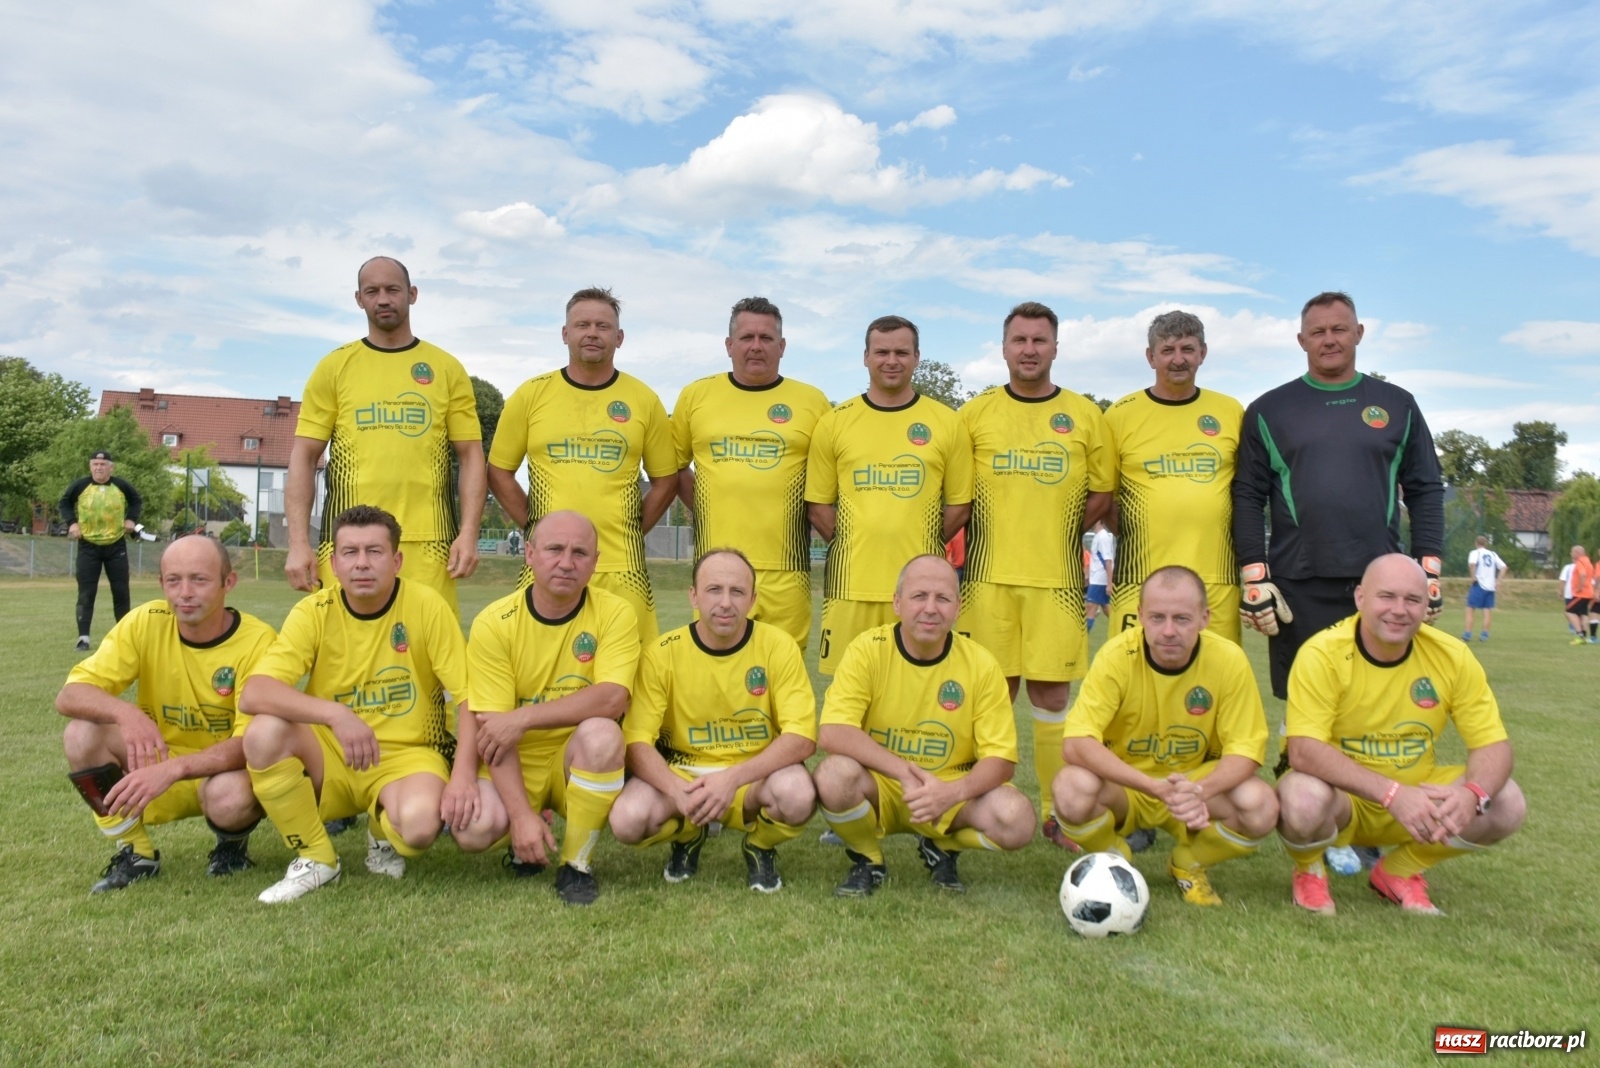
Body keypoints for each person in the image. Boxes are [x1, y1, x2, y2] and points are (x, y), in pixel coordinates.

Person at [240, 505, 480, 904]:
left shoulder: (427, 606)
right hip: (333, 752)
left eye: (375, 552)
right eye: (350, 553)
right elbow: (255, 692)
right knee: (264, 732)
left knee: (420, 828)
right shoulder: (314, 611)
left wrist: (463, 775)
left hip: (407, 756)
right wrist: (336, 715)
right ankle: (316, 857)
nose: (362, 564)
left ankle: (381, 830)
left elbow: (470, 697)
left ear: (397, 560)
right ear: (332, 563)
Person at [1276, 554, 1526, 915]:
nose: (1399, 610)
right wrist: (1391, 794)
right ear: (1361, 598)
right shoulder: (1322, 654)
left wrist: (1473, 794)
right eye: (1387, 597)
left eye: (1412, 600)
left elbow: (1494, 745)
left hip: (1418, 798)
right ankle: (1309, 870)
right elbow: (1303, 751)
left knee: (1507, 801)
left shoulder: (1452, 655)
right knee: (1300, 798)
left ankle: (1398, 871)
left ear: (1427, 604)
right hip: (1343, 801)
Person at [1233, 292, 1446, 700]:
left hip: (1380, 581)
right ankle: (1294, 766)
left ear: (1359, 333)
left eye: (1338, 329)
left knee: (1378, 699)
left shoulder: (1397, 404)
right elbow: (1247, 496)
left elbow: (1426, 489)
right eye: (1318, 332)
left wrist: (1428, 569)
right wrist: (1254, 575)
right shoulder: (1268, 410)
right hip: (1298, 582)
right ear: (1301, 340)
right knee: (1304, 701)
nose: (1328, 339)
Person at [958, 301, 1113, 850]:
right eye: (1019, 340)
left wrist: (1066, 529)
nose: (1029, 350)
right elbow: (955, 493)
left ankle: (1056, 814)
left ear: (1054, 348)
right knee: (991, 696)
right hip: (986, 580)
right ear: (1003, 348)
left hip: (1057, 583)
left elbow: (1103, 491)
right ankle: (978, 804)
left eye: (1039, 341)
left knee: (1051, 695)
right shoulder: (974, 415)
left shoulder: (1084, 415)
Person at [57, 536, 277, 892]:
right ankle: (137, 852)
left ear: (228, 583)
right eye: (174, 580)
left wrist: (173, 768)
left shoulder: (259, 641)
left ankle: (231, 846)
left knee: (229, 796)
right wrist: (126, 713)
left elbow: (251, 743)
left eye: (199, 579)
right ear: (161, 585)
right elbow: (70, 695)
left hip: (221, 775)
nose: (185, 592)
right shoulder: (145, 621)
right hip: (154, 766)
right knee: (81, 733)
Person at [1052, 566, 1276, 906]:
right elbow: (1077, 743)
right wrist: (1152, 786)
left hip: (1192, 787)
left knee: (1260, 805)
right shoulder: (1116, 657)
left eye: (1182, 619)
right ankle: (1117, 859)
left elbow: (1245, 750)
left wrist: (1201, 790)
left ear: (1205, 618)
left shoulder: (1229, 660)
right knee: (1070, 788)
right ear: (1140, 615)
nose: (1169, 631)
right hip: (1129, 787)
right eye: (1157, 617)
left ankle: (1188, 863)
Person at [814, 556, 1035, 896]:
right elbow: (832, 731)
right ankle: (868, 858)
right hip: (883, 786)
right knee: (833, 775)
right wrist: (903, 772)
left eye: (942, 598)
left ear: (958, 607)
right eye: (919, 596)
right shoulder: (867, 650)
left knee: (1017, 820)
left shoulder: (981, 664)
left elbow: (1001, 760)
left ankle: (941, 845)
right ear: (897, 602)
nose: (930, 608)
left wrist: (952, 793)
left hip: (947, 788)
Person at [452, 511, 638, 906]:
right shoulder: (495, 622)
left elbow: (611, 698)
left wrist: (523, 717)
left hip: (577, 758)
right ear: (531, 554)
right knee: (472, 831)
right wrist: (520, 816)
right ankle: (526, 834)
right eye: (554, 549)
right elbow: (494, 732)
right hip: (516, 758)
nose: (567, 562)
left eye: (580, 553)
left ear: (595, 562)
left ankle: (576, 865)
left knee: (604, 734)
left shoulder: (616, 613)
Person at [284, 257, 485, 616]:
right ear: (359, 299)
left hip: (430, 544)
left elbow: (471, 455)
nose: (383, 299)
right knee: (345, 656)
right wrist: (298, 542)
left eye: (392, 289)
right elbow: (303, 455)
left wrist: (468, 532)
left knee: (431, 661)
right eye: (372, 291)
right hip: (348, 543)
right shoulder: (334, 367)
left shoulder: (446, 368)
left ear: (412, 294)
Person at [610, 549, 817, 892]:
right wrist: (677, 791)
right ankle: (689, 832)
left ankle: (760, 845)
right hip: (684, 774)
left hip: (752, 776)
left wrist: (732, 779)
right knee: (627, 821)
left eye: (737, 592)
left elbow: (802, 737)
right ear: (693, 595)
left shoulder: (778, 646)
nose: (725, 603)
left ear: (753, 598)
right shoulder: (662, 653)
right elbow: (635, 742)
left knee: (796, 794)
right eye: (713, 590)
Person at [488, 287, 677, 647]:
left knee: (631, 684)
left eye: (603, 326)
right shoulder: (531, 395)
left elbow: (665, 481)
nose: (592, 333)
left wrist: (632, 530)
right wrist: (535, 525)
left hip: (623, 569)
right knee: (541, 674)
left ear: (619, 338)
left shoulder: (643, 399)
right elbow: (498, 471)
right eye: (582, 324)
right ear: (565, 333)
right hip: (546, 566)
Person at [806, 316, 973, 675]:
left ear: (916, 357)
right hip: (849, 586)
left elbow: (960, 505)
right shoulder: (835, 422)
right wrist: (851, 543)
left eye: (902, 351)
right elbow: (818, 504)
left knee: (916, 688)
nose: (891, 360)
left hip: (919, 590)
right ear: (865, 357)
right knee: (847, 692)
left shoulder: (947, 422)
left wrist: (921, 542)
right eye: (882, 351)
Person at [672, 297, 831, 648]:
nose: (756, 346)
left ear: (782, 346)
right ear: (729, 345)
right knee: (716, 676)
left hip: (787, 572)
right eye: (746, 338)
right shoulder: (696, 396)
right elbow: (674, 467)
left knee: (784, 680)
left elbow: (828, 480)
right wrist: (705, 506)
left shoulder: (813, 402)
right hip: (716, 568)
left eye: (766, 338)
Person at [1105, 310, 1245, 643]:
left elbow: (1247, 495)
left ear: (1203, 353)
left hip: (1216, 579)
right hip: (1139, 576)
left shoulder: (1231, 412)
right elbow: (1104, 498)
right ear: (1151, 356)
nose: (1178, 359)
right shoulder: (1119, 415)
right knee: (1134, 682)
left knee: (1216, 683)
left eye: (1187, 349)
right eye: (1167, 350)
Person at [60, 450, 144, 650]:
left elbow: (136, 500)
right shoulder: (80, 486)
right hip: (88, 546)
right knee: (86, 593)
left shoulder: (121, 485)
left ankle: (125, 639)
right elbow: (64, 502)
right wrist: (72, 523)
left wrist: (131, 519)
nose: (99, 468)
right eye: (95, 464)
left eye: (103, 464)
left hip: (116, 546)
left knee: (121, 592)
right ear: (90, 466)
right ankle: (83, 639)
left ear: (111, 467)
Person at [1463, 536, 1507, 642]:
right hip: (1490, 586)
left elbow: (1472, 564)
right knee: (1487, 611)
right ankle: (1484, 635)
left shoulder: (1475, 553)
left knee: (1470, 609)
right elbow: (1504, 567)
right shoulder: (1492, 554)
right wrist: (1498, 581)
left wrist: (1473, 577)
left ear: (1476, 543)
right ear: (1486, 544)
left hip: (1479, 584)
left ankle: (1468, 634)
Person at [1559, 544, 1593, 644]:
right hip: (1588, 593)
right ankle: (1583, 635)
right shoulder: (1588, 561)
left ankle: (1579, 634)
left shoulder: (1580, 562)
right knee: (1583, 614)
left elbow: (1582, 574)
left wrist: (1580, 587)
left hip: (1581, 594)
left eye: (1572, 552)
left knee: (1568, 612)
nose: (1571, 554)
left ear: (1577, 553)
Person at [1085, 522, 1114, 631]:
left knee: (1090, 607)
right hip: (1097, 579)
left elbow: (1108, 561)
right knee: (1105, 607)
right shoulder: (1099, 536)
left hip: (1100, 580)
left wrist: (1109, 584)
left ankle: (1084, 639)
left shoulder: (1103, 537)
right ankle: (1121, 628)